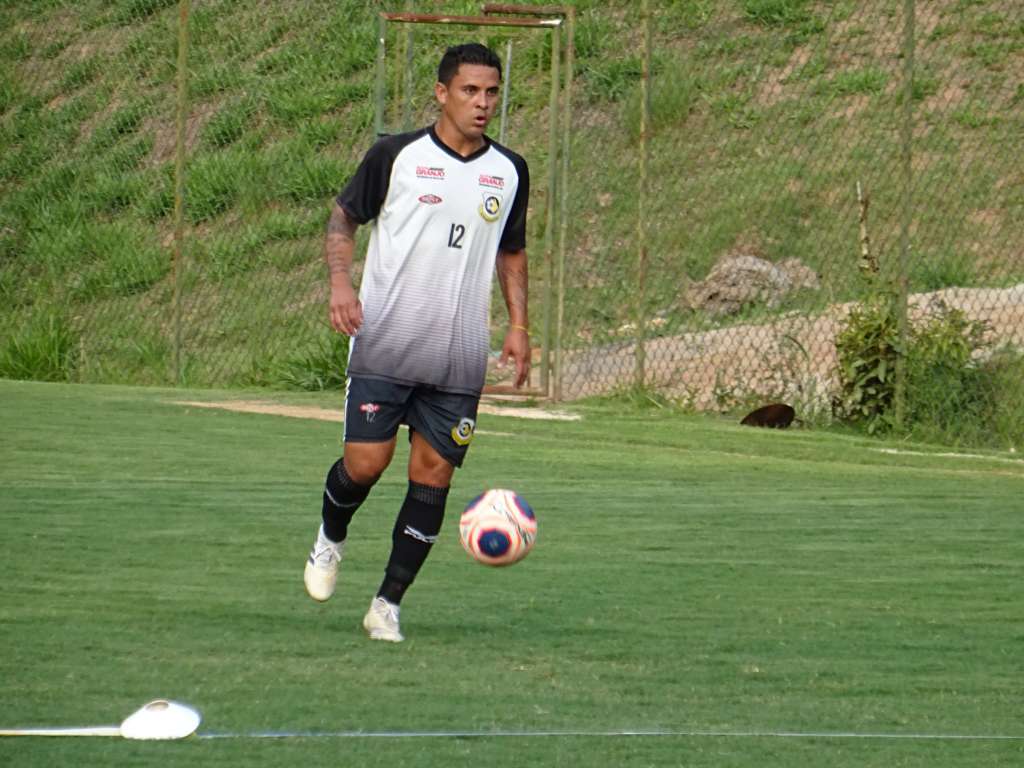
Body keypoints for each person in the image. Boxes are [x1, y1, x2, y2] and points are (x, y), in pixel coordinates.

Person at [303, 43, 531, 643]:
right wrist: (338, 285)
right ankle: (331, 537)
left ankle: (387, 604)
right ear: (441, 93)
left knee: (433, 476)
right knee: (365, 465)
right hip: (385, 339)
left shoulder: (509, 171)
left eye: (491, 93)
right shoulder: (396, 155)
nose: (482, 104)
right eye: (469, 91)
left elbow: (512, 251)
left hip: (457, 356)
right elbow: (343, 216)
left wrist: (519, 325)